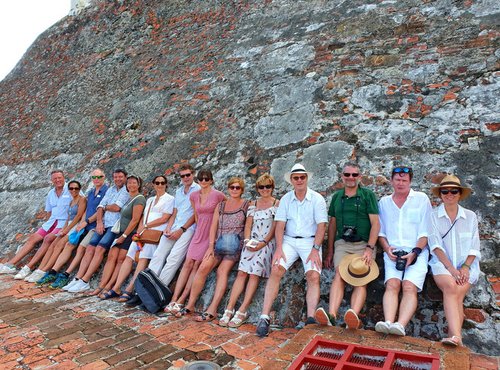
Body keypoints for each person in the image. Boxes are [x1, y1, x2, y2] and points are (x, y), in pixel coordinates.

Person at [256, 164, 327, 337]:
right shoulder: (286, 199)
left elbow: (321, 226)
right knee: (276, 270)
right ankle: (264, 317)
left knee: (313, 275)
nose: (300, 180)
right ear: (292, 181)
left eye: (302, 177)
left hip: (310, 241)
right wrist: (279, 249)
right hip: (288, 240)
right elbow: (280, 225)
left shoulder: (317, 198)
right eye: (296, 178)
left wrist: (315, 249)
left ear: (306, 178)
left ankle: (310, 318)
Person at [124, 164, 201, 306]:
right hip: (174, 227)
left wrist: (182, 229)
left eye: (188, 175)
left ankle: (155, 293)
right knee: (158, 255)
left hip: (188, 229)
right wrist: (169, 228)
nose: (185, 178)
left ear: (193, 174)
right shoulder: (179, 191)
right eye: (182, 175)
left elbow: (195, 215)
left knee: (173, 259)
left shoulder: (198, 190)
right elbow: (175, 212)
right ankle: (143, 291)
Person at [315, 162, 379, 329]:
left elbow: (376, 224)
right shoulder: (337, 197)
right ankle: (332, 315)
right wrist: (330, 251)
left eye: (354, 175)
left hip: (364, 244)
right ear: (342, 177)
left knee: (362, 278)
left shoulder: (367, 195)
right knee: (339, 274)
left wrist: (370, 248)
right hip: (342, 243)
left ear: (360, 177)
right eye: (347, 175)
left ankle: (353, 315)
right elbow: (333, 224)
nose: (351, 178)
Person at [176, 177, 248, 321]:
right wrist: (210, 246)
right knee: (203, 268)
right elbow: (213, 226)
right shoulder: (221, 206)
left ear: (242, 190)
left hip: (235, 245)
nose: (234, 190)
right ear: (228, 188)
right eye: (232, 187)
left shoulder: (247, 205)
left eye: (237, 188)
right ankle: (190, 305)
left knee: (222, 270)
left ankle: (213, 309)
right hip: (218, 243)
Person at [375, 166, 431, 336]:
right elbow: (380, 231)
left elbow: (426, 231)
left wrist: (415, 252)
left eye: (404, 180)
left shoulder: (421, 199)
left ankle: (400, 325)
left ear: (410, 182)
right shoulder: (384, 202)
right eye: (397, 180)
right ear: (391, 180)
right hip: (392, 251)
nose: (400, 183)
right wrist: (386, 248)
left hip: (417, 251)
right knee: (392, 284)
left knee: (409, 286)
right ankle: (388, 322)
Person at [218, 174, 279, 328]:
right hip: (251, 242)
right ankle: (229, 308)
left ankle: (242, 310)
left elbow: (275, 227)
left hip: (266, 243)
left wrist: (263, 243)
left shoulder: (276, 204)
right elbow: (248, 225)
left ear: (272, 187)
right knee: (241, 273)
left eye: (268, 186)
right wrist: (247, 241)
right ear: (257, 188)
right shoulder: (253, 203)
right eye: (261, 187)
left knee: (254, 274)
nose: (265, 190)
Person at [428, 175, 480, 346]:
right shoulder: (433, 216)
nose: (449, 194)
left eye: (453, 191)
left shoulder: (470, 216)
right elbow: (435, 246)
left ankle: (454, 337)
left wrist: (465, 268)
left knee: (457, 295)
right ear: (440, 194)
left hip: (467, 266)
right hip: (443, 264)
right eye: (445, 191)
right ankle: (457, 337)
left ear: (459, 194)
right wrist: (451, 269)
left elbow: (474, 246)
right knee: (451, 288)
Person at [164, 169, 224, 314]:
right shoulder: (194, 196)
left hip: (211, 233)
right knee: (187, 263)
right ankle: (174, 298)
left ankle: (182, 300)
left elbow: (226, 210)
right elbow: (196, 215)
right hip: (199, 232)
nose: (203, 181)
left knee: (197, 265)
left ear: (211, 180)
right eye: (201, 179)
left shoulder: (218, 195)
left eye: (206, 178)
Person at [108, 175, 174, 301]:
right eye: (157, 182)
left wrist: (147, 226)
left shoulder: (169, 199)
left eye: (162, 183)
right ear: (153, 184)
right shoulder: (150, 200)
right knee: (129, 257)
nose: (160, 185)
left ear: (166, 184)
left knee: (143, 259)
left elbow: (165, 218)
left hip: (153, 233)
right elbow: (143, 217)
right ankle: (116, 287)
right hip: (142, 233)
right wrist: (140, 229)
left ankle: (130, 289)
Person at [63, 169, 129, 293]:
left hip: (114, 227)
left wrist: (104, 207)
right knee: (89, 248)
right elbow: (100, 206)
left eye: (120, 177)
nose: (118, 179)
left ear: (125, 177)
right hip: (103, 224)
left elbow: (116, 207)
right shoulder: (111, 190)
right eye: (115, 177)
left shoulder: (126, 190)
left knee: (99, 249)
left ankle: (85, 280)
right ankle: (78, 278)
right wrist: (99, 222)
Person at [45, 169, 109, 289]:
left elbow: (102, 209)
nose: (97, 179)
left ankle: (71, 276)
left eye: (99, 177)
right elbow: (86, 210)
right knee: (70, 245)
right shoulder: (91, 192)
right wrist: (82, 223)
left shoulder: (107, 191)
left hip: (94, 226)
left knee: (82, 248)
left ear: (104, 177)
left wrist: (86, 222)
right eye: (94, 177)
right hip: (86, 225)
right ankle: (54, 271)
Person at [0, 170, 71, 275]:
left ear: (64, 178)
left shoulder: (71, 189)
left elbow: (80, 203)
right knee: (33, 238)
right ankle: (10, 264)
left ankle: (28, 267)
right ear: (52, 180)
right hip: (52, 222)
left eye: (59, 177)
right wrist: (46, 226)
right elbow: (49, 211)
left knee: (47, 239)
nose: (57, 180)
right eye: (55, 178)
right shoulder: (51, 193)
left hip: (63, 222)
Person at [94, 175, 147, 298]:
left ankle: (112, 287)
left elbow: (135, 220)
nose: (131, 185)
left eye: (134, 183)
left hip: (128, 234)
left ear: (139, 185)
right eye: (129, 183)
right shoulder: (129, 198)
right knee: (111, 257)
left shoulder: (140, 199)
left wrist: (124, 235)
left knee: (120, 260)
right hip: (120, 232)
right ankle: (102, 285)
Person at [26, 180, 87, 284]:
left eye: (76, 188)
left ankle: (47, 270)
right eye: (71, 188)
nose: (73, 190)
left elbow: (78, 216)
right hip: (69, 225)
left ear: (79, 189)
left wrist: (67, 229)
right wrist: (64, 228)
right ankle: (41, 269)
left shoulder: (82, 200)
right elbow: (68, 217)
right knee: (53, 244)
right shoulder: (71, 201)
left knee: (60, 245)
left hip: (76, 226)